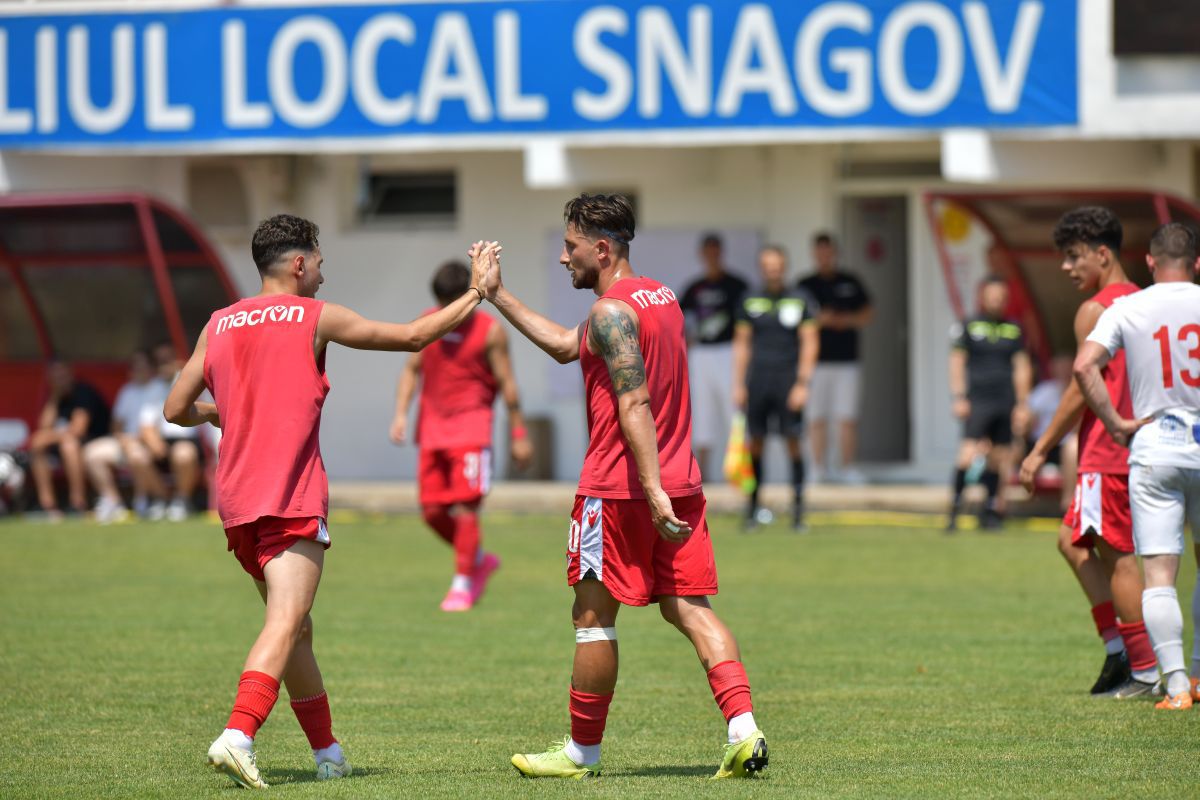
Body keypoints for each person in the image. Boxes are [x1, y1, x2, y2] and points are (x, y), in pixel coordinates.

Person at [164, 214, 498, 788]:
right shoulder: (315, 316)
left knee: (296, 629)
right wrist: (477, 293)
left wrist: (221, 412)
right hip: (290, 495)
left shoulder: (219, 323)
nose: (322, 272)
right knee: (285, 620)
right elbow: (412, 337)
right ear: (299, 263)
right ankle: (238, 734)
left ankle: (328, 753)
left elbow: (175, 409)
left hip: (238, 501)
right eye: (319, 261)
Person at [483, 194, 767, 780]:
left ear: (602, 248)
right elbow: (567, 346)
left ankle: (580, 753)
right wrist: (497, 294)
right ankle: (745, 731)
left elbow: (634, 401)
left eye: (571, 247)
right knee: (690, 608)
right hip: (679, 482)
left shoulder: (611, 313)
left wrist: (650, 488)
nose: (564, 258)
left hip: (620, 490)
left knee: (592, 619)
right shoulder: (661, 298)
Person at [1019, 208, 1158, 696]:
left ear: (1103, 254)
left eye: (1074, 256)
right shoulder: (1145, 300)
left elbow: (1081, 387)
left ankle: (1140, 665)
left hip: (1107, 451)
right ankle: (1122, 650)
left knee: (1118, 559)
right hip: (1143, 448)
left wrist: (1039, 450)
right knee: (1073, 540)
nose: (1066, 266)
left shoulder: (1096, 310)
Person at [1075, 221, 1200, 710]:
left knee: (1160, 575)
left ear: (1149, 262)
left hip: (1155, 448)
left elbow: (1084, 365)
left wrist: (1115, 422)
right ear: (1197, 264)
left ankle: (1175, 687)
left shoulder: (1128, 307)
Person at [390, 260, 533, 611]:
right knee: (432, 512)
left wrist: (518, 432)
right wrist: (401, 413)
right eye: (440, 303)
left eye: (449, 303)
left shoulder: (490, 332)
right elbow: (411, 370)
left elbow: (508, 384)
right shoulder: (428, 322)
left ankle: (462, 582)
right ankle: (478, 560)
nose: (444, 310)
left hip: (472, 430)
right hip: (432, 430)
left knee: (467, 508)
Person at [731, 245, 820, 531]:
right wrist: (739, 384)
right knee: (755, 443)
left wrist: (802, 383)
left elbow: (810, 342)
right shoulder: (749, 299)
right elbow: (742, 343)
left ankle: (798, 512)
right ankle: (752, 509)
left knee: (793, 441)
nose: (773, 271)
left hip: (788, 379)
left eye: (777, 266)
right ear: (761, 268)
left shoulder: (800, 299)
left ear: (785, 267)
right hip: (758, 380)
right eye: (768, 266)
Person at [947, 277, 1032, 530]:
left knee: (999, 457)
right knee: (967, 453)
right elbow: (957, 362)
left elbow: (1022, 367)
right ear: (982, 297)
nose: (996, 301)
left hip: (1004, 400)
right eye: (992, 296)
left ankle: (989, 511)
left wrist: (1022, 403)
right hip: (978, 400)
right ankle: (955, 509)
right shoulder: (969, 325)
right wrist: (959, 397)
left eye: (1001, 297)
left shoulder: (1014, 329)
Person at [798, 233, 872, 484]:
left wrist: (845, 320)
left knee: (846, 417)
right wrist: (820, 320)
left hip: (847, 361)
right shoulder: (805, 285)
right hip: (815, 363)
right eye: (820, 252)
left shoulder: (850, 281)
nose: (825, 257)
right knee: (815, 417)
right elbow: (796, 320)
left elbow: (867, 313)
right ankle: (817, 469)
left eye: (828, 252)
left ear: (835, 253)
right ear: (814, 254)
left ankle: (847, 468)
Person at [679, 233, 748, 478]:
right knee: (702, 413)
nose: (712, 256)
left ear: (721, 252)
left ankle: (741, 474)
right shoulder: (694, 287)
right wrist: (688, 341)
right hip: (701, 354)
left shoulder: (737, 285)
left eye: (716, 251)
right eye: (708, 251)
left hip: (729, 351)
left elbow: (746, 325)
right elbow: (679, 320)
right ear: (702, 254)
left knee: (735, 411)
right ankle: (703, 475)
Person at [81, 350, 161, 523]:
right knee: (91, 453)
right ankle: (113, 502)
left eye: (142, 366)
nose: (137, 370)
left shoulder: (159, 388)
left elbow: (151, 428)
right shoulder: (127, 390)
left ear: (151, 368)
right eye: (134, 366)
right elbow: (116, 423)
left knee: (137, 455)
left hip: (151, 443)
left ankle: (149, 500)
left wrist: (132, 440)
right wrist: (122, 438)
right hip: (125, 441)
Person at [29, 361, 110, 518]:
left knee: (69, 446)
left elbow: (78, 430)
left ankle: (77, 503)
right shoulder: (55, 398)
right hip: (62, 442)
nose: (59, 380)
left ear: (70, 374)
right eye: (55, 378)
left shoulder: (83, 392)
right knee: (37, 445)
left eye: (62, 375)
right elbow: (44, 426)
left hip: (92, 441)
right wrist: (54, 399)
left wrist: (48, 437)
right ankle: (47, 504)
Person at [144, 342, 205, 521]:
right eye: (160, 361)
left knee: (182, 454)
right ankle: (161, 500)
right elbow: (147, 423)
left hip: (188, 439)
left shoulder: (191, 379)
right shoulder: (153, 386)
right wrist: (153, 442)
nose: (164, 365)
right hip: (162, 441)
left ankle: (181, 501)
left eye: (167, 359)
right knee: (137, 455)